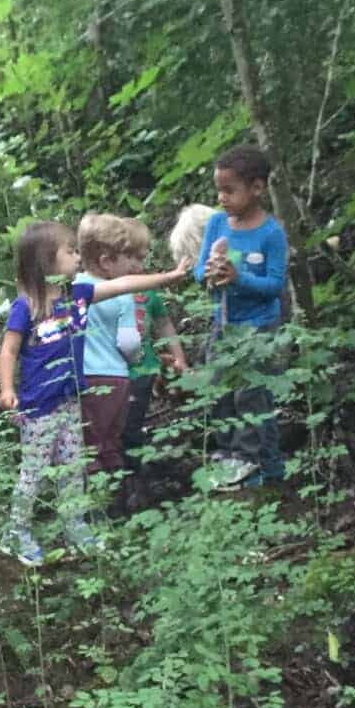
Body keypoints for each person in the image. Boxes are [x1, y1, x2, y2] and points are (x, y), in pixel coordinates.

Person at [0, 220, 189, 566]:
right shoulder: (26, 306)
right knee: (35, 471)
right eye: (69, 252)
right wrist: (8, 388)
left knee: (73, 467)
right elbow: (9, 350)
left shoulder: (78, 296)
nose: (76, 258)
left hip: (71, 400)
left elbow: (124, 284)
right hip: (39, 407)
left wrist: (167, 278)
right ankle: (16, 531)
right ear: (46, 261)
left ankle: (75, 524)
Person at [194, 145, 287, 488]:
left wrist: (238, 278)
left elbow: (275, 284)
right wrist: (208, 273)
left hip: (259, 325)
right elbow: (198, 271)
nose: (221, 198)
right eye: (218, 189)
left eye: (229, 190)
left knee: (251, 393)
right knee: (219, 387)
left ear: (257, 188)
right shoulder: (218, 223)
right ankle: (229, 452)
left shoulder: (271, 233)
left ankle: (253, 461)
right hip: (224, 322)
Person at [118, 207, 200, 501]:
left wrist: (179, 357)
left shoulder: (148, 293)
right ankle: (121, 480)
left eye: (143, 258)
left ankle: (135, 481)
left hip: (142, 371)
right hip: (111, 375)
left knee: (132, 426)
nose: (140, 265)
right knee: (116, 429)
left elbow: (164, 324)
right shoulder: (105, 291)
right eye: (133, 258)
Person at [73, 213, 162, 481]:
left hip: (82, 378)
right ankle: (117, 496)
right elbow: (129, 343)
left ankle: (96, 501)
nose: (133, 267)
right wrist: (136, 359)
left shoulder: (73, 289)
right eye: (127, 258)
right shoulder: (121, 294)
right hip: (115, 378)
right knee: (111, 439)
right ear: (107, 262)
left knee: (88, 442)